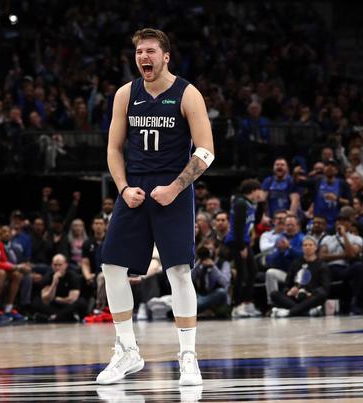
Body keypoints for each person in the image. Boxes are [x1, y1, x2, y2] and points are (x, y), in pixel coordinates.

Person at [97, 28, 214, 386]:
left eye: (150, 51)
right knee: (112, 267)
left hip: (173, 190)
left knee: (178, 272)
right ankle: (127, 351)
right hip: (134, 190)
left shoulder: (187, 94)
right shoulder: (125, 94)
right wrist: (123, 187)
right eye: (138, 53)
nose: (143, 57)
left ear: (165, 56)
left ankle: (188, 356)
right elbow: (114, 149)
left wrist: (177, 187)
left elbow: (206, 151)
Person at [226, 179, 264, 318]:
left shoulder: (249, 203)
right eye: (259, 190)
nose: (261, 193)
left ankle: (247, 302)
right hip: (237, 242)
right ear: (254, 190)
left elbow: (258, 221)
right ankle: (237, 305)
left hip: (244, 241)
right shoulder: (240, 203)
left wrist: (261, 203)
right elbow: (238, 226)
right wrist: (241, 246)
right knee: (242, 274)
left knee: (252, 272)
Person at [270, 237, 330, 317]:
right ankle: (307, 312)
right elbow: (287, 283)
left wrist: (310, 293)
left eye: (310, 245)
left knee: (322, 295)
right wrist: (289, 291)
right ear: (302, 248)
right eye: (305, 245)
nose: (307, 247)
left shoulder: (322, 265)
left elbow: (325, 287)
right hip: (296, 296)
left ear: (315, 247)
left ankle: (290, 312)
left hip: (311, 297)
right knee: (274, 294)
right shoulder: (296, 263)